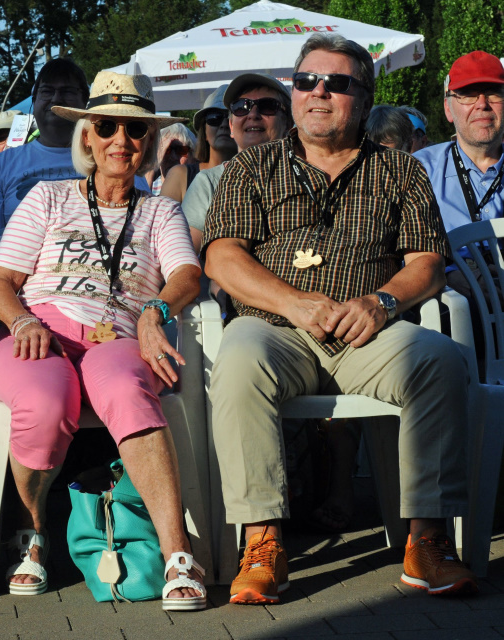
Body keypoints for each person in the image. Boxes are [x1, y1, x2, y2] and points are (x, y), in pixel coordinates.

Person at [202, 33, 477, 604]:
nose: (318, 92)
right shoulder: (252, 166)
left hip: (367, 332)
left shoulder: (400, 170)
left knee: (442, 360)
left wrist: (381, 302)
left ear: (365, 96)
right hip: (275, 329)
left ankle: (426, 541)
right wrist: (293, 301)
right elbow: (223, 257)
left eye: (336, 82)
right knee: (238, 357)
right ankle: (262, 543)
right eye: (306, 81)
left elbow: (427, 262)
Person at [0, 70, 206, 610]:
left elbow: (187, 276)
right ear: (87, 135)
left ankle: (178, 554)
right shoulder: (47, 197)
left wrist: (155, 309)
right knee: (43, 399)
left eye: (134, 131)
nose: (120, 141)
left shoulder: (160, 209)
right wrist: (22, 322)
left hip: (122, 333)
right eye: (107, 127)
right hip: (41, 331)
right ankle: (31, 534)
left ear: (148, 141)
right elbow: (0, 281)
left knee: (130, 390)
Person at [0, 59, 90, 253]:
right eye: (47, 91)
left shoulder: (109, 160)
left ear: (85, 103)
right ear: (34, 101)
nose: (56, 99)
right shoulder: (0, 165)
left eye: (67, 91)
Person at [414, 51, 504, 304]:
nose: (482, 103)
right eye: (467, 95)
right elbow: (398, 254)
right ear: (448, 109)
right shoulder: (418, 170)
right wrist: (449, 276)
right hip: (451, 313)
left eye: (493, 93)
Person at [182, 72, 292, 253]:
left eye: (267, 106)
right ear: (232, 126)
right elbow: (185, 257)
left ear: (288, 123)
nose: (253, 114)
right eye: (242, 107)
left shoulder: (305, 177)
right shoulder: (208, 182)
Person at [160, 85, 237, 203]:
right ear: (204, 131)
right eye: (214, 117)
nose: (224, 124)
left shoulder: (257, 174)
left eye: (231, 117)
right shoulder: (180, 176)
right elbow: (161, 220)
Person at [148, 124, 196, 195]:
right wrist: (152, 166)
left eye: (181, 150)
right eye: (167, 150)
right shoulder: (147, 187)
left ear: (193, 156)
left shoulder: (200, 187)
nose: (173, 157)